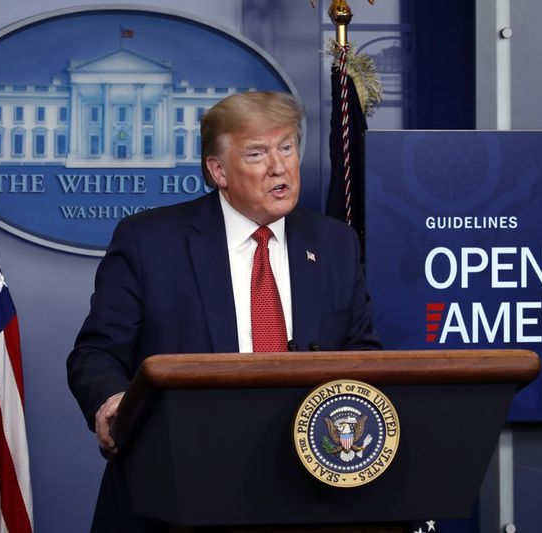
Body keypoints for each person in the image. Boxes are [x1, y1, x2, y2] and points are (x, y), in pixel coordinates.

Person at [67, 91, 381, 532]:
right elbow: (96, 352)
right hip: (178, 487)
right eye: (257, 153)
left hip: (308, 491)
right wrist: (112, 400)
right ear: (218, 171)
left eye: (287, 147)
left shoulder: (334, 243)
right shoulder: (150, 241)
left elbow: (362, 353)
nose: (279, 166)